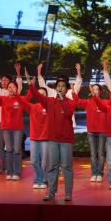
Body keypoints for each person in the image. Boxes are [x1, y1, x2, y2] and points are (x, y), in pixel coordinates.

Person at [28, 62, 80, 202]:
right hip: (52, 139)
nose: (60, 88)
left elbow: (68, 113)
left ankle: (68, 193)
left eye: (63, 86)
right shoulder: (49, 101)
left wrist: (63, 100)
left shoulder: (70, 102)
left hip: (66, 139)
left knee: (67, 166)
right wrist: (30, 84)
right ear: (56, 88)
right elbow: (38, 95)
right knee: (52, 166)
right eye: (58, 86)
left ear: (66, 89)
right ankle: (51, 192)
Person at [19, 68, 51, 189]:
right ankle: (38, 179)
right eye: (39, 93)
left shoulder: (50, 106)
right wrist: (28, 82)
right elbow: (21, 101)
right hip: (34, 138)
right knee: (34, 161)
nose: (41, 95)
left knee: (44, 161)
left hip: (46, 138)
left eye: (43, 93)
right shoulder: (32, 107)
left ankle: (44, 180)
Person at [75, 83, 108, 183]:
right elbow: (77, 101)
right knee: (93, 154)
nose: (95, 91)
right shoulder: (88, 102)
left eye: (97, 89)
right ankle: (94, 174)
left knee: (101, 154)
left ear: (100, 91)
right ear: (91, 91)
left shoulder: (105, 102)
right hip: (91, 131)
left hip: (102, 131)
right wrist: (74, 92)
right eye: (93, 89)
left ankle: (100, 174)